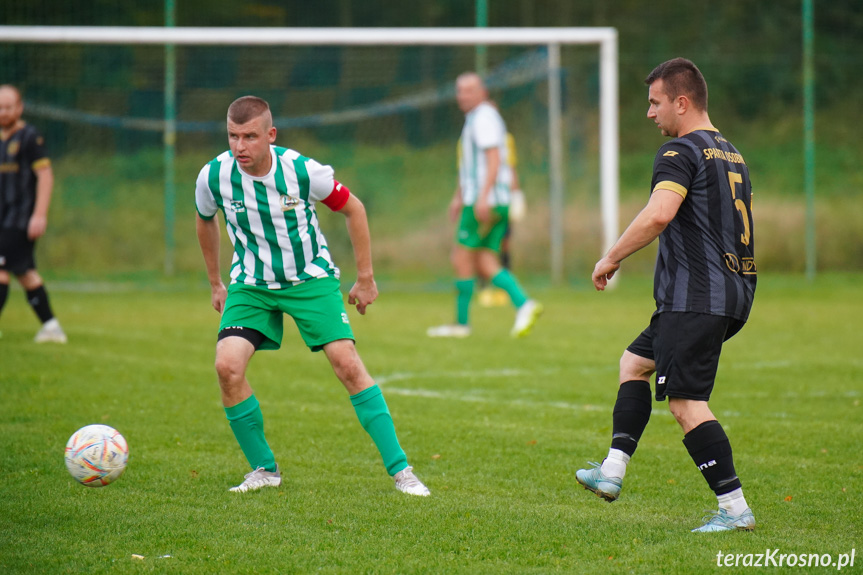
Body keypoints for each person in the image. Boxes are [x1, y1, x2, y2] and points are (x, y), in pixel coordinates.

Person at [195, 95, 429, 496]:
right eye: (233, 136)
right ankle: (264, 470)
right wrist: (216, 282)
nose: (240, 146)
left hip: (310, 280)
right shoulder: (213, 176)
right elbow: (205, 221)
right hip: (251, 285)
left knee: (347, 365)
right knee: (227, 368)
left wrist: (366, 277)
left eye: (250, 136)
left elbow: (354, 209)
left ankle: (402, 471)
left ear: (271, 135)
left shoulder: (304, 172)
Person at [575, 58, 757, 532]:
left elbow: (659, 214)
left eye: (655, 103)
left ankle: (735, 511)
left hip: (694, 296)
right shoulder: (733, 154)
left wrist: (611, 256)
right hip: (730, 292)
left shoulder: (680, 152)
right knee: (633, 363)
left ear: (682, 102)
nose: (649, 113)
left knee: (685, 403)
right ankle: (611, 472)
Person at [427, 73, 542, 338]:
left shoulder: (483, 119)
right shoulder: (478, 118)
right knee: (485, 259)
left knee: (461, 256)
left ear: (482, 92)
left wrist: (481, 196)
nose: (463, 96)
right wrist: (459, 195)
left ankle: (461, 324)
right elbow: (471, 164)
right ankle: (524, 304)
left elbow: (493, 159)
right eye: (459, 91)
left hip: (485, 200)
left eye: (469, 90)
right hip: (489, 199)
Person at [0, 84, 66, 343]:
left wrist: (39, 214)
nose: (3, 112)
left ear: (20, 108)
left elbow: (45, 175)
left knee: (2, 270)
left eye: (8, 107)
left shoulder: (30, 137)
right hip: (2, 217)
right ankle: (51, 326)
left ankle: (52, 327)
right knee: (25, 273)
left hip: (20, 219)